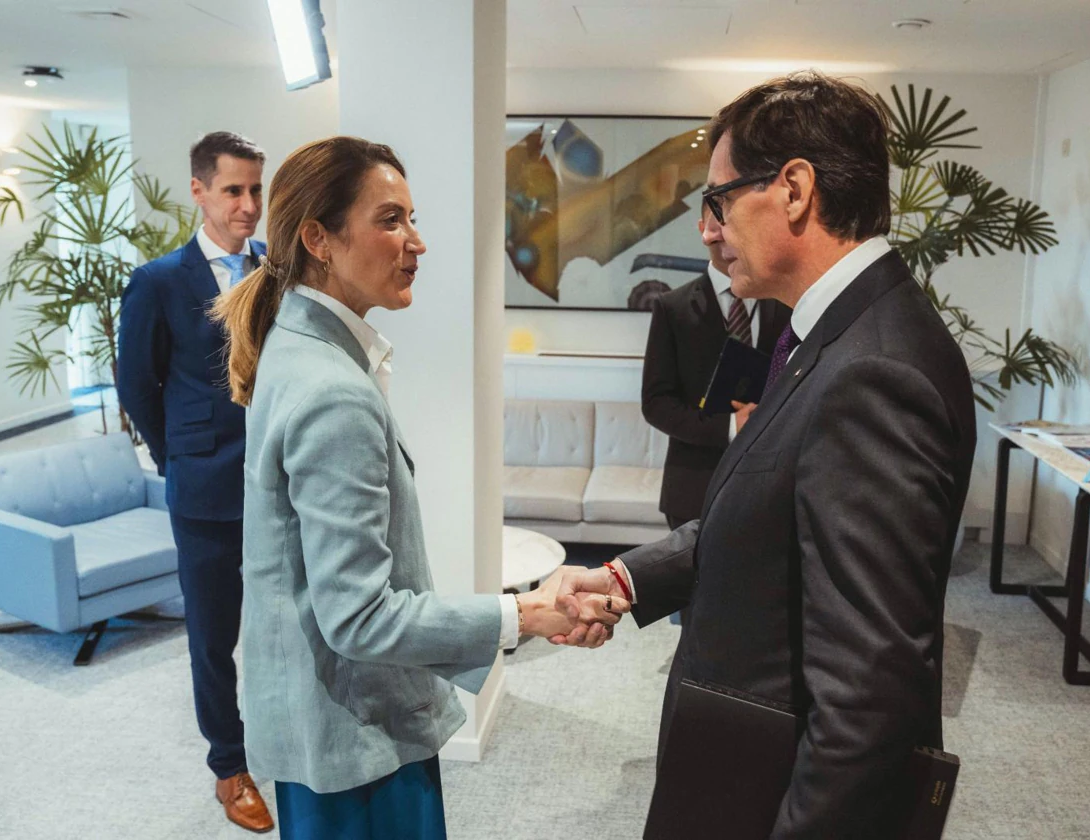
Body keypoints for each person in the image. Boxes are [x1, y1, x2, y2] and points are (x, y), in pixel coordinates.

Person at [553, 72, 978, 838]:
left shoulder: (875, 370)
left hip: (769, 785)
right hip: (737, 754)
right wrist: (626, 574)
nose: (707, 230)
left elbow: (869, 698)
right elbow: (768, 513)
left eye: (717, 202)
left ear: (793, 189)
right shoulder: (831, 332)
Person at [210, 136, 624, 840]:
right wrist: (524, 614)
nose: (418, 242)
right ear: (319, 239)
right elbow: (360, 617)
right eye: (391, 219)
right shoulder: (331, 391)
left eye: (412, 218)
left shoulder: (295, 347)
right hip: (357, 738)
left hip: (328, 719)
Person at [117, 131, 274, 832]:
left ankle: (282, 733)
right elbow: (137, 384)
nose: (248, 206)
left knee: (281, 623)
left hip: (276, 483)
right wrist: (173, 458)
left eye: (255, 191)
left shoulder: (275, 268)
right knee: (213, 636)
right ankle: (229, 766)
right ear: (200, 191)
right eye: (234, 190)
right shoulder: (158, 281)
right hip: (203, 485)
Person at [642, 201, 790, 535]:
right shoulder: (672, 308)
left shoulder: (782, 303)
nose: (728, 236)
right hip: (693, 488)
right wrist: (730, 428)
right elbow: (656, 403)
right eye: (717, 225)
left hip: (768, 486)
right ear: (702, 230)